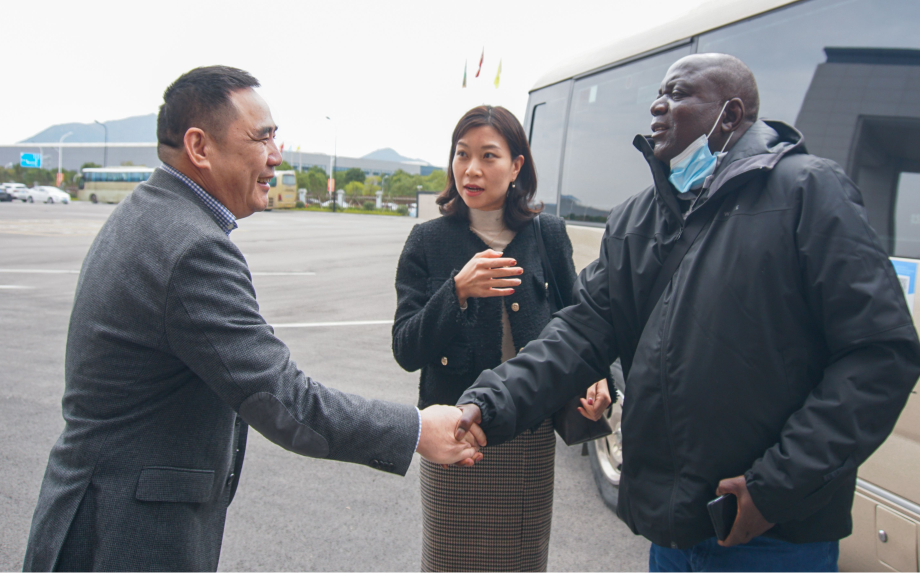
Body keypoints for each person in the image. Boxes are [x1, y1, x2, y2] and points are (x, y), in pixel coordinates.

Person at [455, 54, 920, 572]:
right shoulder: (637, 217)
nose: (658, 105)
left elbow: (880, 355)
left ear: (731, 113)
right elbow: (579, 333)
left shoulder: (808, 192)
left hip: (772, 536)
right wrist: (488, 403)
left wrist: (773, 489)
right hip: (674, 534)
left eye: (678, 94)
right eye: (659, 93)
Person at [22, 66, 483, 573]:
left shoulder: (151, 212)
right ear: (200, 147)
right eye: (263, 137)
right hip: (124, 535)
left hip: (97, 515)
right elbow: (282, 399)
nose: (276, 156)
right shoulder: (192, 247)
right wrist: (416, 429)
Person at [392, 105, 610, 573]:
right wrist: (456, 292)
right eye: (462, 154)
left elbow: (581, 322)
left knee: (522, 562)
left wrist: (595, 381)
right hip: (457, 438)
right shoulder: (426, 241)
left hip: (528, 436)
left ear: (516, 167)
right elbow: (406, 349)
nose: (471, 169)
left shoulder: (547, 234)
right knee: (451, 562)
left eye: (489, 156)